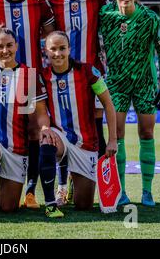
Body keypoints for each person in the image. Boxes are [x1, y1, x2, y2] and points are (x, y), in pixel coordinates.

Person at [0, 0, 56, 208]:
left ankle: (31, 189)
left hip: (30, 76)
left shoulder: (37, 4)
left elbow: (51, 35)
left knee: (35, 130)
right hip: (2, 77)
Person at [99, 0, 160, 207]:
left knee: (147, 135)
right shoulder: (105, 16)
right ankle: (122, 192)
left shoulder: (150, 18)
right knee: (116, 137)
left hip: (145, 83)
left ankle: (147, 191)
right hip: (117, 85)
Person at [0, 26, 51, 222]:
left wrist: (45, 129)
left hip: (17, 147)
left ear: (16, 46)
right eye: (0, 46)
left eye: (9, 45)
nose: (5, 50)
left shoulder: (29, 75)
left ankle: (8, 189)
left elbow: (41, 112)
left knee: (8, 207)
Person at [47, 0, 109, 206]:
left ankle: (105, 184)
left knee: (95, 131)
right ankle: (63, 186)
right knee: (63, 129)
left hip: (92, 76)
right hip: (63, 75)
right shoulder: (54, 1)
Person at [38, 31, 117, 216]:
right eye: (53, 49)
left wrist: (113, 140)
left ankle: (73, 179)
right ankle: (51, 203)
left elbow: (108, 104)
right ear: (46, 51)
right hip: (61, 136)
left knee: (84, 205)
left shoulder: (88, 71)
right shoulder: (43, 76)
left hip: (86, 143)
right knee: (47, 142)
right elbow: (41, 110)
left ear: (69, 49)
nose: (58, 53)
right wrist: (45, 128)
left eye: (62, 48)